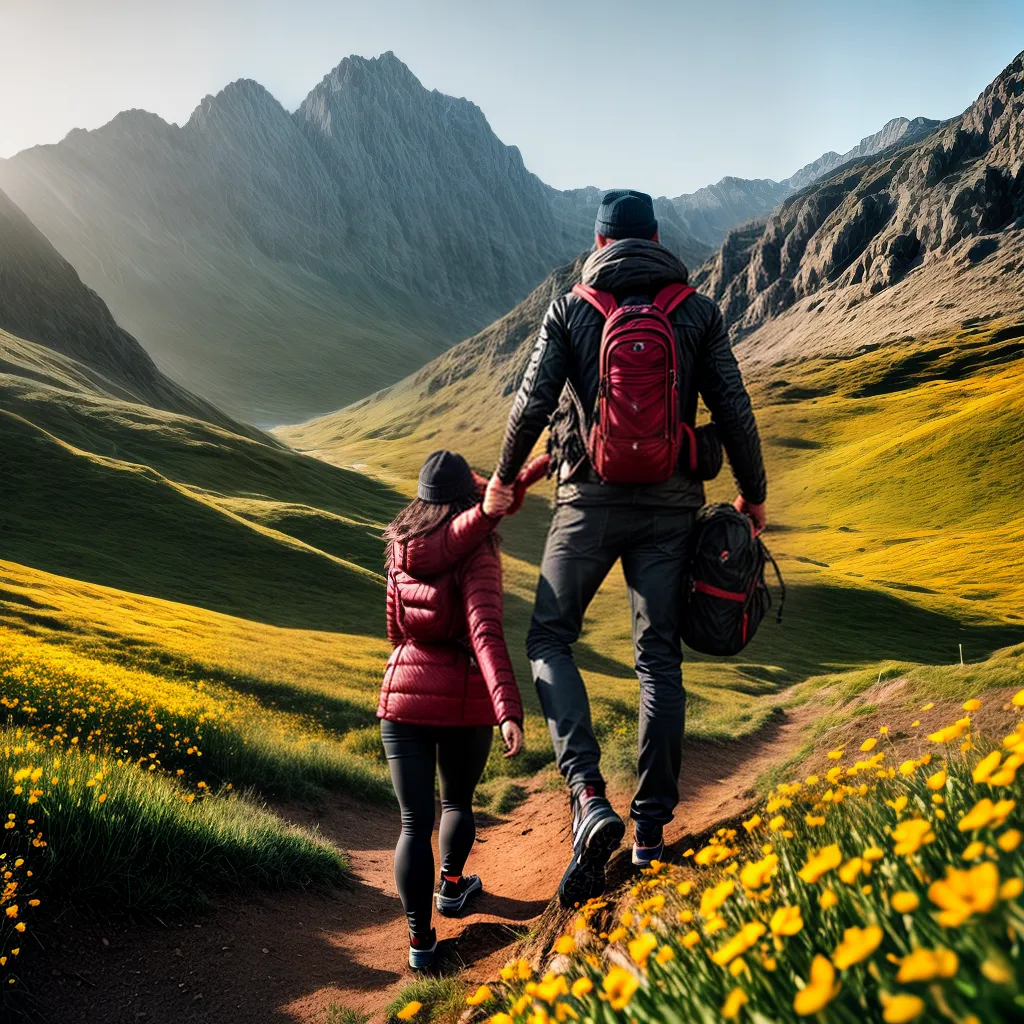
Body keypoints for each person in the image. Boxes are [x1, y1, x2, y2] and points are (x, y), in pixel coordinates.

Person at [485, 190, 767, 908]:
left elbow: (533, 402)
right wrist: (753, 492)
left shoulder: (572, 306)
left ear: (601, 239)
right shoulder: (696, 310)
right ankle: (647, 832)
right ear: (657, 237)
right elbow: (732, 404)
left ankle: (586, 797)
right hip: (673, 505)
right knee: (658, 659)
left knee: (549, 637)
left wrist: (500, 481)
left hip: (585, 501)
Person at [377, 448, 546, 970]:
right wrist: (508, 710)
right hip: (464, 698)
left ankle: (419, 943)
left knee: (412, 823)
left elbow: (394, 629)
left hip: (401, 694)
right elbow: (485, 633)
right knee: (455, 805)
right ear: (467, 500)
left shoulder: (402, 546)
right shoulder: (477, 554)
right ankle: (452, 888)